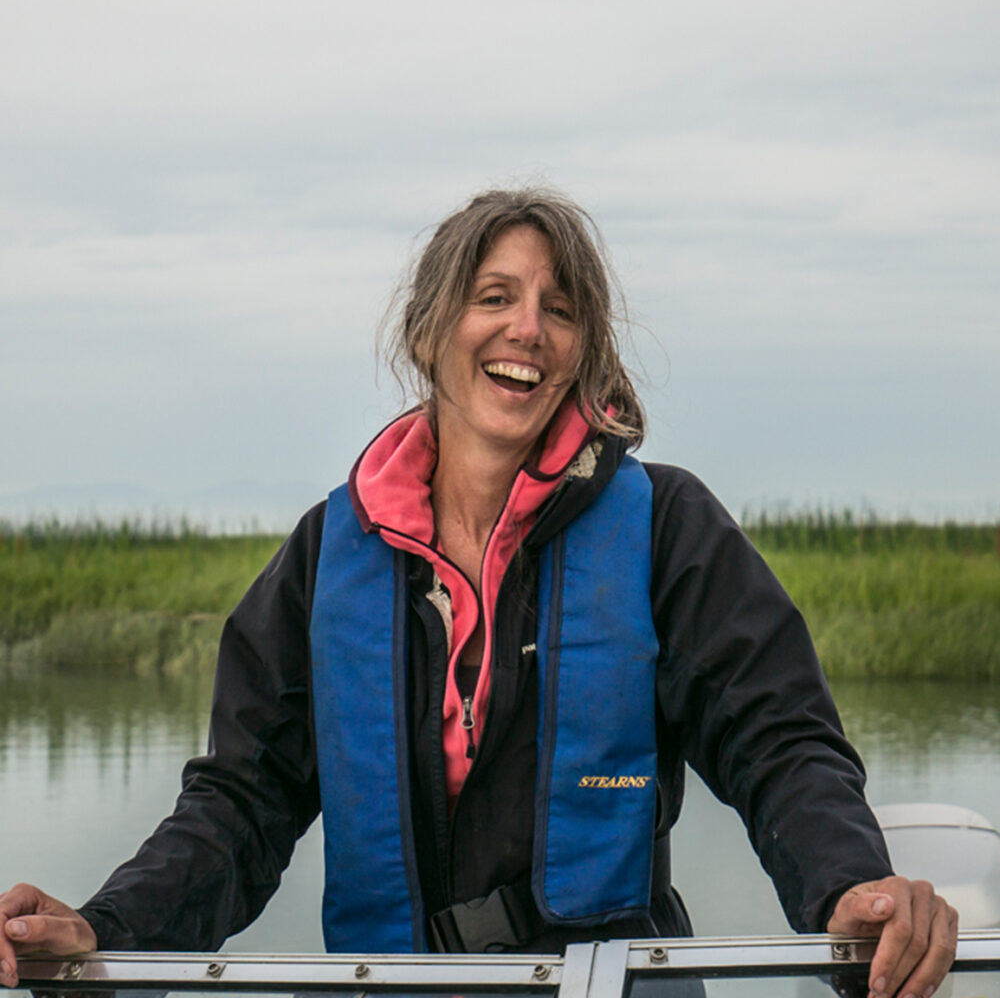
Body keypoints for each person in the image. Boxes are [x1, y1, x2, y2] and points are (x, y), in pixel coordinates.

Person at [1, 189, 957, 997]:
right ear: (428, 333)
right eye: (493, 296)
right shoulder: (326, 552)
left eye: (561, 308)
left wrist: (851, 890)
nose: (526, 329)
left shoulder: (667, 526)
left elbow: (779, 743)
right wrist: (106, 926)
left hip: (610, 986)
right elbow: (240, 806)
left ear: (583, 351)